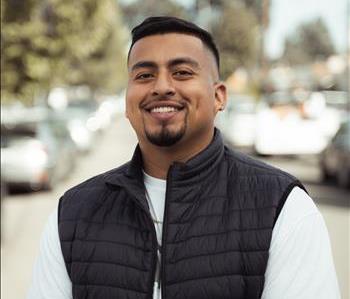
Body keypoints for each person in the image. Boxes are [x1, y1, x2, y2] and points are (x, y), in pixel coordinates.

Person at [27, 16, 340, 299]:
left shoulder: (283, 208)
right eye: (145, 75)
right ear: (127, 102)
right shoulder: (72, 214)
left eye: (182, 72)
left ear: (219, 96)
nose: (162, 86)